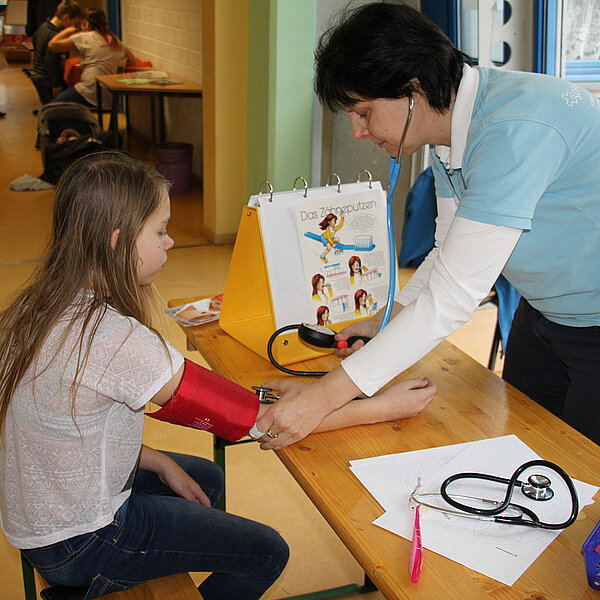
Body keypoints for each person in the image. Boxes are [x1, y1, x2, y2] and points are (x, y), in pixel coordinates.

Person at [0, 151, 435, 599]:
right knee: (268, 553)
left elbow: (68, 433)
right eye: (161, 231)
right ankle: (101, 577)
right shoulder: (115, 340)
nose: (170, 242)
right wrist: (382, 407)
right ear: (117, 241)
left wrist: (162, 461)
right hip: (80, 540)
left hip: (41, 514)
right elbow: (259, 423)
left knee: (204, 479)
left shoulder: (41, 304)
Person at [256, 1, 600, 450]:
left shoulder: (513, 130)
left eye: (363, 113)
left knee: (584, 476)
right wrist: (389, 319)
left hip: (592, 322)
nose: (360, 132)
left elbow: (455, 296)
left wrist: (323, 398)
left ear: (413, 90)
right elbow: (447, 252)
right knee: (532, 452)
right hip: (545, 313)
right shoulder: (452, 131)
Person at [48, 8, 136, 108]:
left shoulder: (83, 37)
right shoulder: (114, 41)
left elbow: (52, 45)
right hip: (108, 95)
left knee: (50, 109)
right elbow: (132, 60)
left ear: (86, 23)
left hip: (88, 91)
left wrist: (67, 31)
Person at [30, 0, 82, 105]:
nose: (73, 26)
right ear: (66, 17)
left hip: (37, 74)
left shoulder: (44, 26)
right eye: (74, 22)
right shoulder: (54, 36)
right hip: (47, 78)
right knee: (55, 109)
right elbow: (51, 62)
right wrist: (56, 85)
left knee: (48, 108)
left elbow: (34, 41)